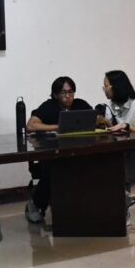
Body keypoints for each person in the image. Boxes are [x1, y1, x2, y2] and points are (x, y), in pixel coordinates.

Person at [25, 76, 94, 224]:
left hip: (78, 152)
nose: (68, 96)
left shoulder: (80, 104)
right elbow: (30, 125)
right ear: (56, 94)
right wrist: (58, 127)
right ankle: (36, 204)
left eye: (71, 92)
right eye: (64, 92)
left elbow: (95, 118)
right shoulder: (49, 106)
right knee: (54, 168)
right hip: (52, 153)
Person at [101, 70, 135, 186]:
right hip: (124, 146)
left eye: (106, 86)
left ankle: (122, 195)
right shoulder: (110, 105)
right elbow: (115, 130)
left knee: (121, 173)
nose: (104, 90)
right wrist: (106, 123)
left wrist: (127, 127)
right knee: (105, 166)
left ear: (116, 87)